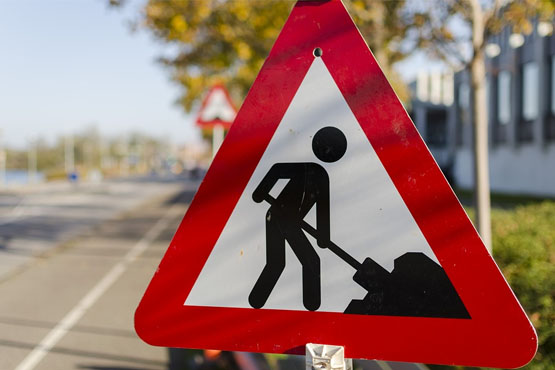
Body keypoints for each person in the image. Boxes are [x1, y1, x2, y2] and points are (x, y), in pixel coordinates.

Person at [248, 126, 347, 311]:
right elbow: (276, 170)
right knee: (309, 261)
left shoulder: (321, 175)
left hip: (285, 219)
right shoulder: (307, 169)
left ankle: (256, 301)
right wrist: (260, 192)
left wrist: (323, 238)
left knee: (277, 263)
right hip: (279, 216)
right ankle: (311, 308)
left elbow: (323, 210)